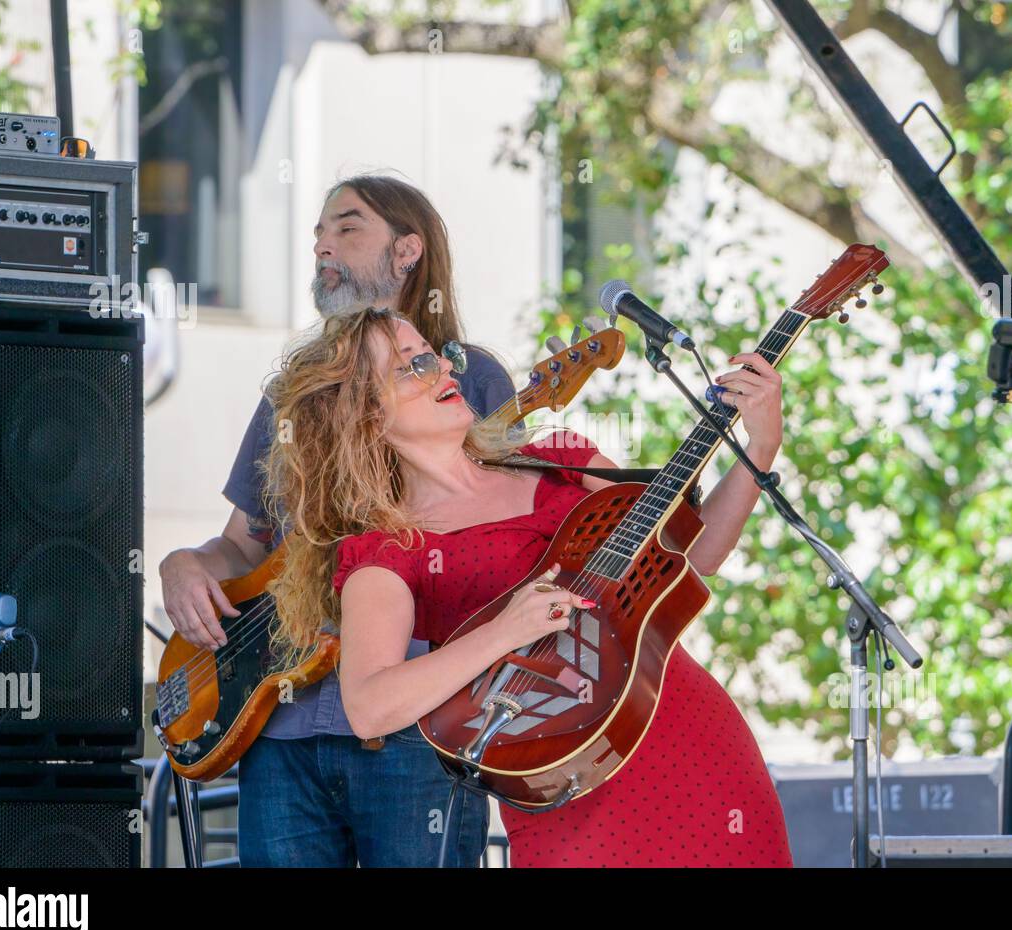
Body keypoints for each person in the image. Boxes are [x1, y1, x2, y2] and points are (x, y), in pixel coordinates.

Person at [263, 306, 794, 867]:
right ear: (366, 415)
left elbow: (696, 556)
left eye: (437, 353)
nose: (443, 366)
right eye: (411, 365)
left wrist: (761, 444)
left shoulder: (558, 460)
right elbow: (370, 705)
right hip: (569, 789)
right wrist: (503, 632)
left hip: (692, 740)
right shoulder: (387, 551)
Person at [157, 175, 510, 866]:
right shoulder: (296, 390)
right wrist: (186, 564)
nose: (322, 243)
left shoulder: (473, 380)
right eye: (318, 231)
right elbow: (242, 541)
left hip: (416, 727)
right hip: (280, 722)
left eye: (347, 227)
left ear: (408, 251)